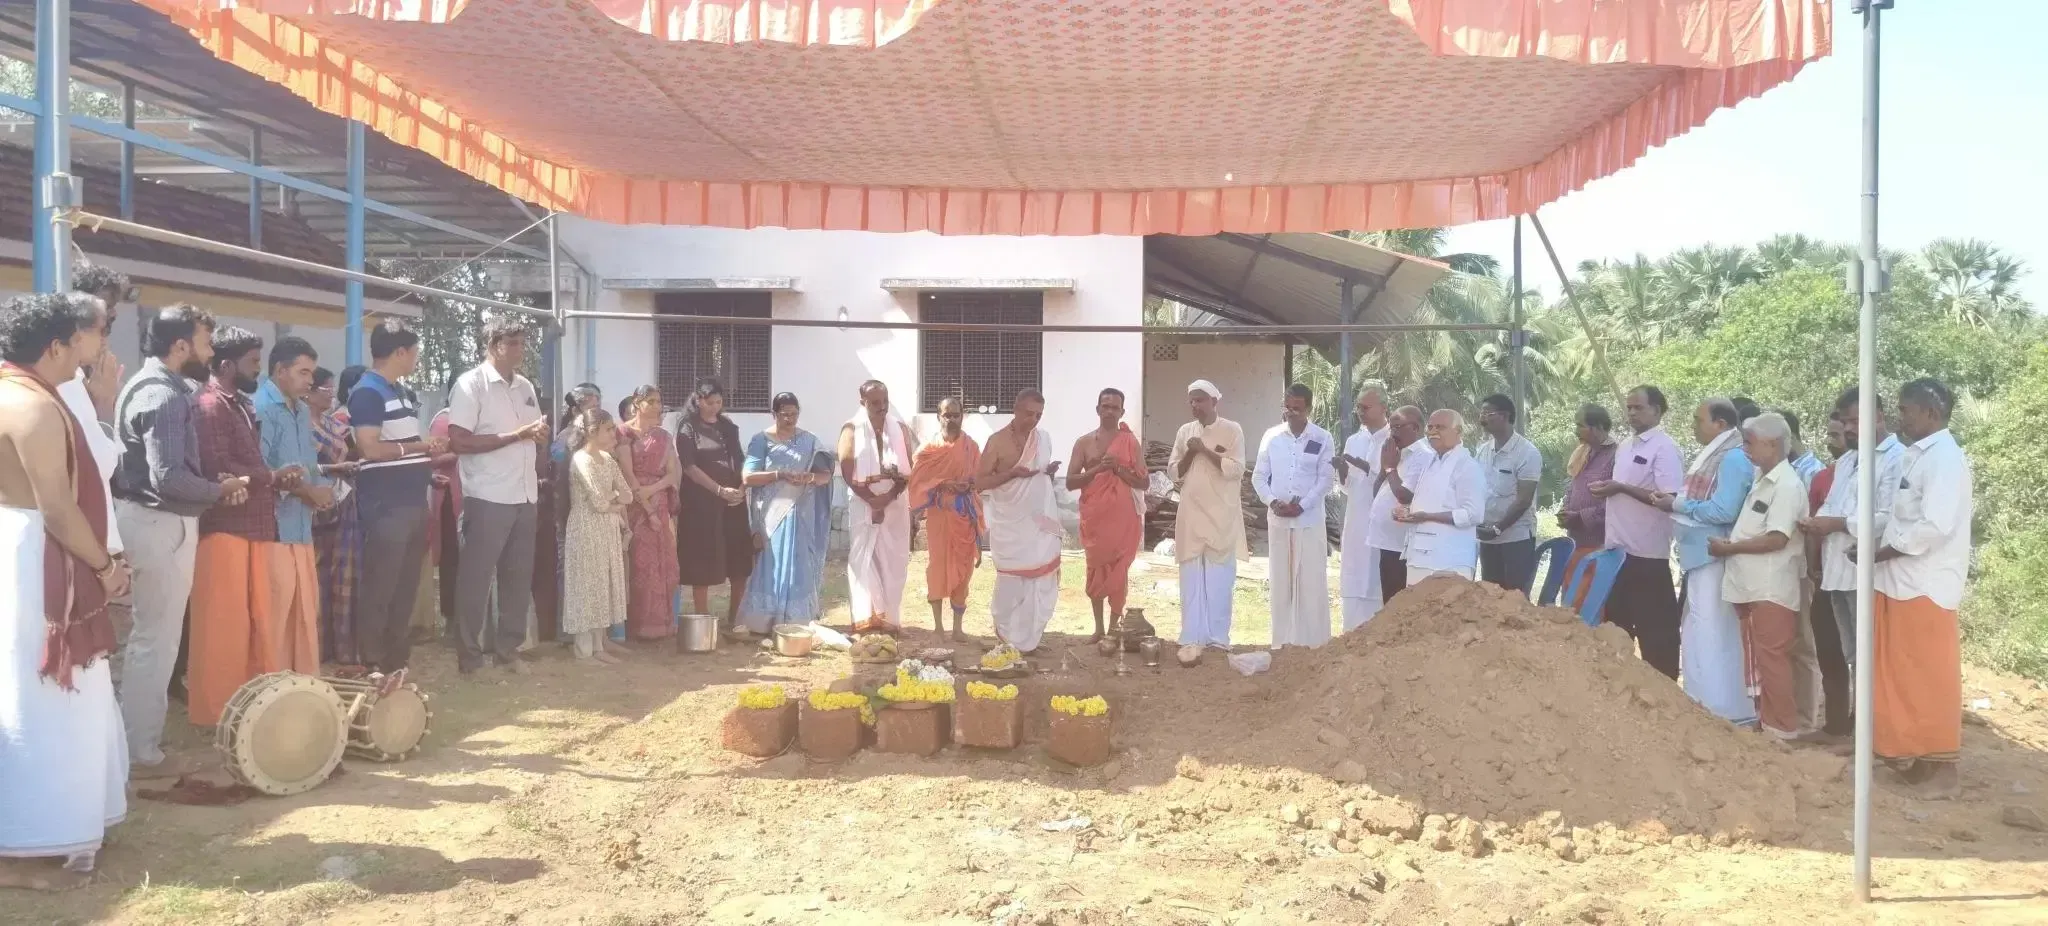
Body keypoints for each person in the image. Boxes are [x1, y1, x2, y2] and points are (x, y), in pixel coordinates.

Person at [0, 292, 129, 890]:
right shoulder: (32, 405)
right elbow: (56, 508)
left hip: (17, 542)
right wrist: (105, 568)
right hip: (38, 556)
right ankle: (25, 847)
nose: (89, 351)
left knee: (44, 692)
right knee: (45, 694)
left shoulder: (18, 392)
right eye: (82, 340)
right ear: (55, 346)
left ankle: (57, 828)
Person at [110, 304, 239, 777]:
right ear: (181, 345)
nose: (210, 353)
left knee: (153, 637)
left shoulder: (149, 386)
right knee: (155, 640)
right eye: (205, 343)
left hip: (155, 520)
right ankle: (141, 754)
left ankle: (136, 746)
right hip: (160, 522)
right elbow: (168, 479)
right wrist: (219, 490)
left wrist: (207, 485)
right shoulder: (163, 396)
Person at [187, 326, 306, 726]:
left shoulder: (238, 403)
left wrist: (274, 477)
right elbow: (218, 466)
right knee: (224, 627)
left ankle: (250, 708)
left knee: (255, 624)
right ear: (226, 365)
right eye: (253, 362)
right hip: (225, 529)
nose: (258, 369)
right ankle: (216, 713)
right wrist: (271, 477)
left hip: (254, 525)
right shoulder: (209, 405)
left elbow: (246, 466)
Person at [1865, 378, 1972, 800]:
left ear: (1931, 412)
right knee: (1904, 677)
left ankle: (1944, 770)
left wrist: (1882, 553)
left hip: (1925, 584)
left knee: (1929, 677)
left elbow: (1934, 526)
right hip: (1901, 582)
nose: (1901, 417)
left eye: (1906, 409)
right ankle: (1918, 759)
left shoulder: (1944, 458)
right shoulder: (1919, 455)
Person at [444, 317, 548, 673]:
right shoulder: (471, 385)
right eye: (512, 343)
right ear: (492, 346)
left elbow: (532, 431)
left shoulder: (525, 386)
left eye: (522, 342)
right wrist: (517, 436)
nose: (520, 349)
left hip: (524, 494)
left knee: (517, 577)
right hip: (488, 495)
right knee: (476, 578)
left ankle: (509, 651)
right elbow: (459, 441)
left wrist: (538, 436)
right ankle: (470, 657)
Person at [346, 320, 445, 674]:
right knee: (382, 586)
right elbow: (369, 448)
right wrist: (420, 447)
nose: (416, 360)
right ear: (400, 352)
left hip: (412, 501)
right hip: (386, 505)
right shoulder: (368, 392)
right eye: (414, 353)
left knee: (405, 588)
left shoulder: (399, 391)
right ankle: (372, 661)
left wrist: (425, 461)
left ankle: (396, 662)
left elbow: (398, 447)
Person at [1653, 398, 1755, 726]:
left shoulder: (1733, 457)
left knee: (1713, 631)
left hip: (1715, 555)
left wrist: (1678, 505)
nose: (1694, 427)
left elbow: (1724, 510)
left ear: (1720, 424)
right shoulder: (1718, 454)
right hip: (1699, 555)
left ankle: (1722, 709)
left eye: (1699, 420)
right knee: (1699, 630)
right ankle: (1702, 703)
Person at [1711, 413, 1809, 739]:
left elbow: (1777, 539)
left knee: (1772, 658)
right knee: (1759, 658)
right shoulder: (1761, 478)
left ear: (1772, 444)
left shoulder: (1787, 485)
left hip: (1770, 585)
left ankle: (1782, 729)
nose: (1745, 449)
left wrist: (1731, 548)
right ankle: (1766, 720)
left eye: (1750, 443)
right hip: (1752, 584)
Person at [1801, 387, 1904, 683]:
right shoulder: (1848, 460)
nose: (1848, 428)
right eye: (1845, 421)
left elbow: (1888, 516)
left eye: (1855, 421)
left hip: (1870, 575)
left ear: (1878, 417)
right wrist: (1814, 523)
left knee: (1873, 658)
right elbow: (1831, 504)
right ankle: (1859, 711)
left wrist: (1838, 524)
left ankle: (1872, 713)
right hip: (1837, 570)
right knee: (1854, 657)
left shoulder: (1896, 458)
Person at [1588, 385, 1683, 679]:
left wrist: (1621, 488)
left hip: (1647, 555)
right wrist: (1611, 490)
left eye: (1638, 408)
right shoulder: (1625, 447)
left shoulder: (1665, 448)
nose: (1631, 413)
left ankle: (1665, 694)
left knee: (1657, 637)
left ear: (1657, 410)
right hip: (1618, 552)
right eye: (1629, 407)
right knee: (1618, 632)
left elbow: (1669, 499)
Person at [251, 337, 331, 680]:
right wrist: (305, 492)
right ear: (280, 371)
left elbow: (307, 464)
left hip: (301, 528)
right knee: (276, 616)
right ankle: (273, 690)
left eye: (311, 373)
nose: (310, 380)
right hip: (274, 529)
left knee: (304, 612)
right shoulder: (261, 408)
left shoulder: (300, 411)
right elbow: (257, 471)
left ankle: (302, 689)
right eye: (303, 372)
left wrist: (321, 487)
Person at [737, 393, 835, 633]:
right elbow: (748, 477)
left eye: (794, 414)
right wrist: (779, 474)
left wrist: (809, 477)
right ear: (774, 414)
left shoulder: (809, 441)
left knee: (798, 565)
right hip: (771, 517)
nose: (790, 419)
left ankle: (796, 620)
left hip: (801, 515)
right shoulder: (761, 440)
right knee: (770, 564)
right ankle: (763, 621)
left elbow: (825, 476)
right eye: (784, 415)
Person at [977, 390, 1063, 653]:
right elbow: (980, 482)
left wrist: (1047, 473)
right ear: (1015, 409)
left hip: (1038, 522)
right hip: (1010, 525)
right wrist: (1012, 473)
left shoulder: (1043, 438)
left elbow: (1038, 477)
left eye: (1038, 415)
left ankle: (1031, 637)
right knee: (1012, 580)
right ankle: (1007, 634)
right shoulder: (997, 441)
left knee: (1042, 577)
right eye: (1029, 414)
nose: (1034, 420)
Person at [1168, 380, 1247, 653]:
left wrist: (1204, 450)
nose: (1195, 405)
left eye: (1200, 400)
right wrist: (1191, 452)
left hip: (1221, 513)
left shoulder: (1232, 429)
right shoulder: (1184, 431)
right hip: (1191, 511)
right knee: (1190, 575)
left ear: (1214, 401)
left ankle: (1217, 637)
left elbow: (1236, 469)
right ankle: (1191, 635)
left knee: (1219, 578)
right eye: (1191, 400)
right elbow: (1173, 473)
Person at [1254, 383, 1335, 648]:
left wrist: (1303, 506)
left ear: (1308, 408)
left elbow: (1325, 479)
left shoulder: (1322, 437)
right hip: (1279, 520)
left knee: (1310, 581)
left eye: (1297, 409)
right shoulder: (1271, 436)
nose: (1290, 413)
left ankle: (1312, 643)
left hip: (1308, 521)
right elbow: (1259, 477)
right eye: (1287, 407)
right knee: (1281, 582)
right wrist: (1272, 502)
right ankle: (1282, 643)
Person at [677, 379, 756, 637]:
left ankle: (735, 618)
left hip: (733, 502)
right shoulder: (688, 427)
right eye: (710, 402)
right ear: (699, 400)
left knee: (738, 559)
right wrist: (719, 490)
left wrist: (741, 489)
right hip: (701, 505)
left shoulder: (728, 427)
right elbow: (689, 467)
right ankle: (702, 620)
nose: (715, 407)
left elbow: (740, 459)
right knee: (702, 559)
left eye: (719, 402)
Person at [838, 380, 916, 636]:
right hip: (863, 501)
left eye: (885, 401)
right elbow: (847, 472)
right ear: (862, 402)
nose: (881, 407)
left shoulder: (900, 429)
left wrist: (888, 497)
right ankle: (867, 619)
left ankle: (890, 620)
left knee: (895, 560)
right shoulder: (851, 429)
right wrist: (872, 500)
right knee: (864, 559)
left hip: (895, 501)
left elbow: (908, 469)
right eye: (874, 403)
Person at [1070, 388, 1146, 644]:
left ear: (1122, 412)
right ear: (1098, 409)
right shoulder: (1083, 443)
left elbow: (1144, 482)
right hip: (1095, 518)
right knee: (1095, 567)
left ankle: (1114, 629)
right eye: (1105, 406)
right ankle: (1098, 628)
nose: (1110, 411)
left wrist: (1119, 469)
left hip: (1123, 519)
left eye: (1115, 407)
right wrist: (1096, 470)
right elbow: (1070, 481)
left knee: (1118, 570)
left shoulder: (1130, 442)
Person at [561, 408, 633, 664]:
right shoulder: (582, 459)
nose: (614, 433)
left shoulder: (607, 459)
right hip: (586, 527)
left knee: (603, 583)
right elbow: (598, 502)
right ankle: (584, 650)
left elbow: (628, 495)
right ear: (592, 432)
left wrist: (612, 501)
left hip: (607, 528)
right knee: (586, 585)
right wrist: (613, 500)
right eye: (609, 429)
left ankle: (599, 644)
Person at [907, 396, 982, 639]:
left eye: (955, 415)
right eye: (946, 415)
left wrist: (968, 484)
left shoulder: (971, 447)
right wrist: (943, 483)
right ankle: (938, 627)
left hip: (964, 516)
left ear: (963, 416)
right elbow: (917, 480)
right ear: (938, 417)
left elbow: (980, 478)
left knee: (964, 570)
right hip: (939, 517)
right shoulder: (929, 450)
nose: (951, 419)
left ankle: (958, 628)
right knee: (937, 568)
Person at [615, 385, 681, 641]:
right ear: (637, 403)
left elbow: (672, 474)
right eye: (650, 401)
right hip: (635, 505)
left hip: (659, 499)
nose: (656, 406)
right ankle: (637, 626)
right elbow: (627, 474)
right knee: (640, 564)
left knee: (664, 562)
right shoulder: (623, 433)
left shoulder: (664, 436)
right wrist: (648, 510)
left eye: (658, 401)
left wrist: (654, 491)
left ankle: (662, 625)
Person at [1393, 410, 1484, 583]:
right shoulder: (1430, 461)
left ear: (1458, 431)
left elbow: (1474, 514)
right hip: (1419, 556)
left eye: (1440, 427)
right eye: (1430, 427)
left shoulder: (1468, 466)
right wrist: (1406, 511)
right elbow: (1430, 502)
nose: (1433, 432)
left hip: (1449, 560)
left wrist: (1428, 517)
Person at [314, 366, 364, 665]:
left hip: (344, 506)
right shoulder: (300, 427)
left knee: (342, 575)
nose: (331, 394)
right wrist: (335, 469)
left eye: (333, 388)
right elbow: (302, 466)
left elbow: (356, 455)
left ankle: (342, 647)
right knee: (316, 578)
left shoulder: (336, 426)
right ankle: (317, 647)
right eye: (325, 389)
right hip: (312, 509)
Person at [1474, 394, 1543, 594]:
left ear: (1505, 416)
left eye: (1488, 413)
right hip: (1488, 537)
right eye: (1482, 413)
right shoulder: (1483, 451)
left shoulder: (1527, 452)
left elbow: (1523, 500)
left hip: (1516, 539)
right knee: (1491, 597)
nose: (1482, 418)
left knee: (1515, 598)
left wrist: (1498, 528)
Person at [1334, 386, 1390, 630]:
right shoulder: (1354, 440)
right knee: (1354, 576)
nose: (1360, 411)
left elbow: (1391, 483)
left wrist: (1366, 467)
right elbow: (1347, 488)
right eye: (1358, 407)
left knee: (1378, 577)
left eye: (1365, 407)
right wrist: (1342, 470)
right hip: (1356, 519)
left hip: (1383, 521)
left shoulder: (1393, 440)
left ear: (1383, 408)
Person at [1555, 404, 1617, 609]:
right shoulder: (1582, 453)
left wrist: (1580, 516)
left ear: (1598, 427)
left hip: (1600, 544)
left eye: (1580, 425)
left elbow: (1615, 502)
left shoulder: (1616, 455)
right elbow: (1573, 487)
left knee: (1590, 607)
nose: (1576, 430)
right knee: (1570, 604)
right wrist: (1566, 511)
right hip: (1576, 542)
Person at [1365, 405, 1425, 604]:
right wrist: (1385, 467)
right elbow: (1377, 492)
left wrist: (1390, 468)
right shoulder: (1397, 453)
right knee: (1389, 602)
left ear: (1415, 428)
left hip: (1403, 546)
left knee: (1399, 604)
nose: (1393, 433)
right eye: (1391, 428)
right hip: (1387, 543)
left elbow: (1404, 496)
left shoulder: (1422, 455)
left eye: (1398, 427)